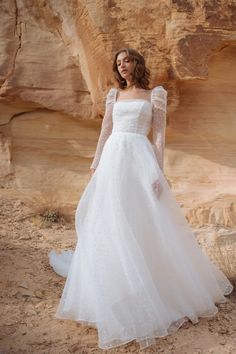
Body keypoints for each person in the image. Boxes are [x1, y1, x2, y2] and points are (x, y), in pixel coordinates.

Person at [48, 48, 233, 350]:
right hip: (113, 160)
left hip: (139, 158)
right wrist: (95, 165)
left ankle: (152, 287)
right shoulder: (113, 96)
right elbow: (106, 131)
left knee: (143, 221)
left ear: (137, 63)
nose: (122, 66)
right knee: (108, 220)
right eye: (118, 63)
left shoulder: (155, 94)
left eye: (127, 60)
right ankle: (112, 289)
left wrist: (157, 171)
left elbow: (158, 135)